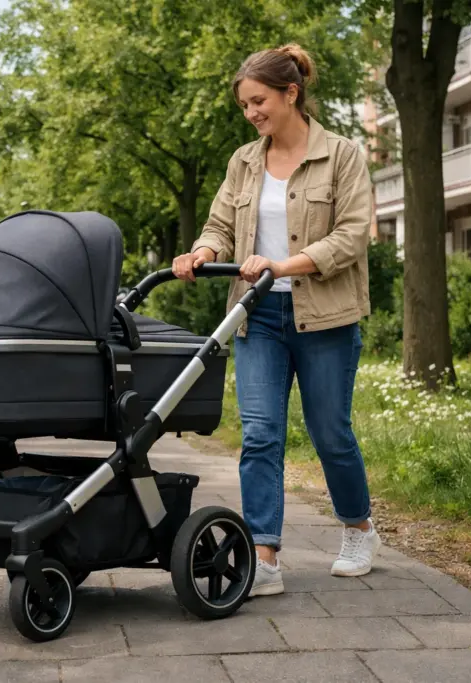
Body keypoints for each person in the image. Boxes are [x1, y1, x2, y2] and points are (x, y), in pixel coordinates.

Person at [172, 44, 380, 597]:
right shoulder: (244, 161)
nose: (251, 113)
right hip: (257, 313)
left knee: (330, 433)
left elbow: (353, 235)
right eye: (244, 105)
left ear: (291, 94)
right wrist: (200, 250)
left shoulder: (342, 155)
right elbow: (219, 224)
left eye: (258, 101)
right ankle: (264, 556)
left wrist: (283, 265)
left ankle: (359, 528)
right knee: (261, 435)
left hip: (325, 316)